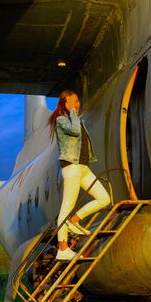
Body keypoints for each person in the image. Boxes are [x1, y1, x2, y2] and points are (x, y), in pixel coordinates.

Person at [48, 90, 111, 260]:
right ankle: (63, 248)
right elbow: (75, 132)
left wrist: (74, 113)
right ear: (65, 103)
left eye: (77, 101)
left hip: (83, 167)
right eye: (74, 101)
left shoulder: (74, 118)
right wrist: (73, 113)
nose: (77, 104)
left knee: (104, 198)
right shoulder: (61, 119)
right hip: (71, 167)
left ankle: (74, 220)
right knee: (66, 208)